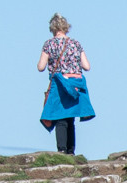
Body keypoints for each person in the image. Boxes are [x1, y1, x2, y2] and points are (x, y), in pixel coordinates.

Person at [37, 14, 93, 156]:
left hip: (60, 84)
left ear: (52, 28)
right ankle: (71, 151)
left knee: (60, 118)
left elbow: (40, 67)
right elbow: (87, 66)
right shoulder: (76, 44)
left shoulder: (49, 44)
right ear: (66, 28)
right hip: (75, 85)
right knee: (71, 118)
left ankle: (61, 150)